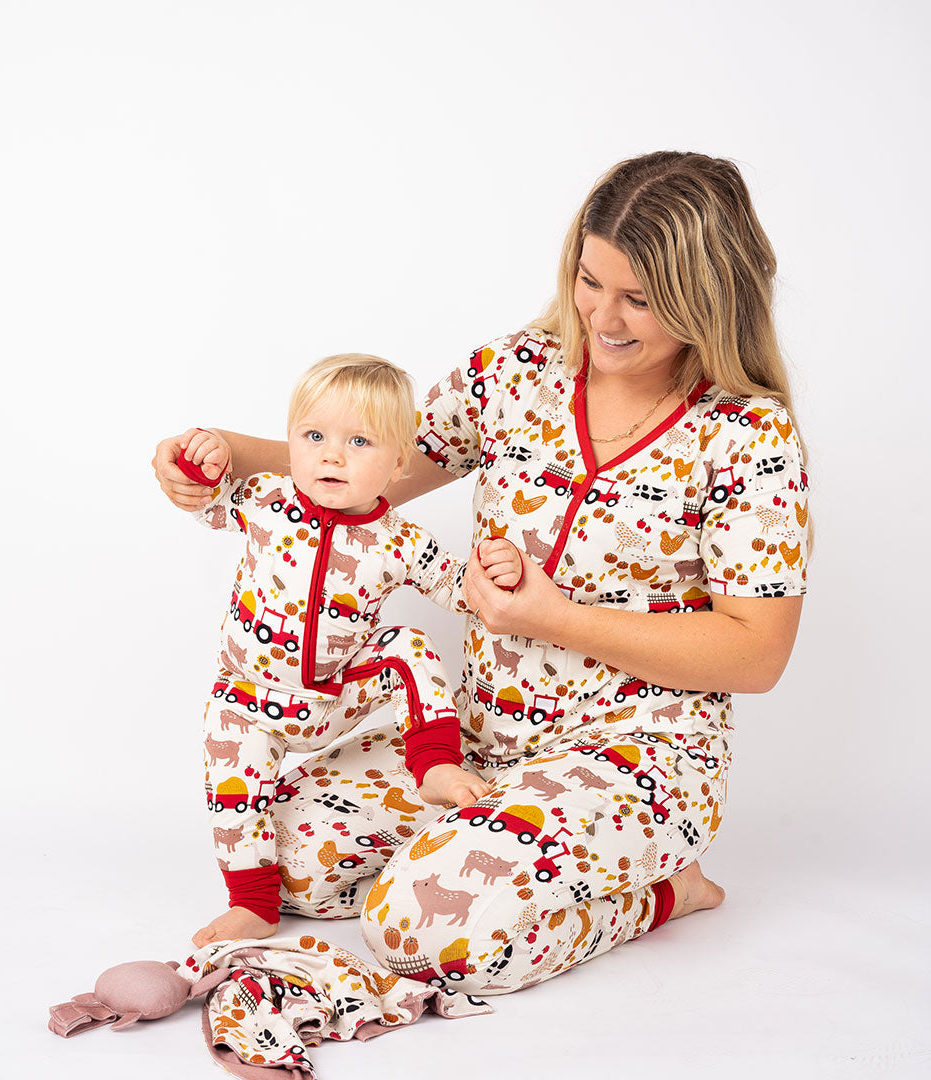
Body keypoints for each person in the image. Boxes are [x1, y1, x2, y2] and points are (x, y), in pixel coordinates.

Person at [153, 151, 808, 993]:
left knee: (419, 931)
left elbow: (756, 655)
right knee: (292, 863)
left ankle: (665, 893)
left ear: (705, 296)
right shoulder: (515, 372)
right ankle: (490, 842)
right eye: (590, 279)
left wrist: (550, 617)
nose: (603, 316)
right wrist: (224, 456)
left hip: (639, 753)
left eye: (639, 299)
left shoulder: (748, 436)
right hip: (481, 740)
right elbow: (375, 468)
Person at [183, 353, 522, 947]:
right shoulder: (264, 499)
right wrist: (202, 466)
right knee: (233, 795)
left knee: (407, 645)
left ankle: (433, 763)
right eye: (313, 436)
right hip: (249, 699)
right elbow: (208, 502)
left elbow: (457, 591)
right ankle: (254, 904)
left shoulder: (398, 540)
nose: (330, 455)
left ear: (397, 464)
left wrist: (496, 572)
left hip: (338, 693)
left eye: (358, 441)